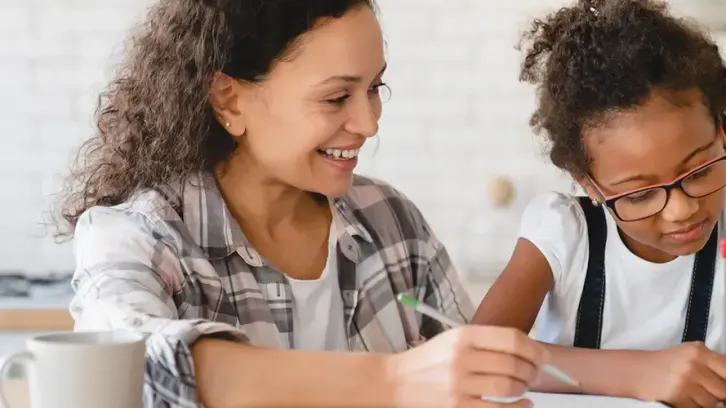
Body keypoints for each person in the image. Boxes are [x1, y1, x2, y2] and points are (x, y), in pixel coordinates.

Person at [58, 1, 545, 407]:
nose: (369, 123)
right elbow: (126, 365)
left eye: (374, 88)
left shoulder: (393, 221)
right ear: (228, 100)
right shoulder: (137, 237)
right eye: (336, 98)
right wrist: (393, 381)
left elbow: (465, 374)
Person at [472, 1, 726, 408]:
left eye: (699, 172)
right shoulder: (562, 231)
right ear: (587, 183)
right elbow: (478, 357)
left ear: (722, 135)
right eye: (640, 194)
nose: (681, 210)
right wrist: (638, 373)